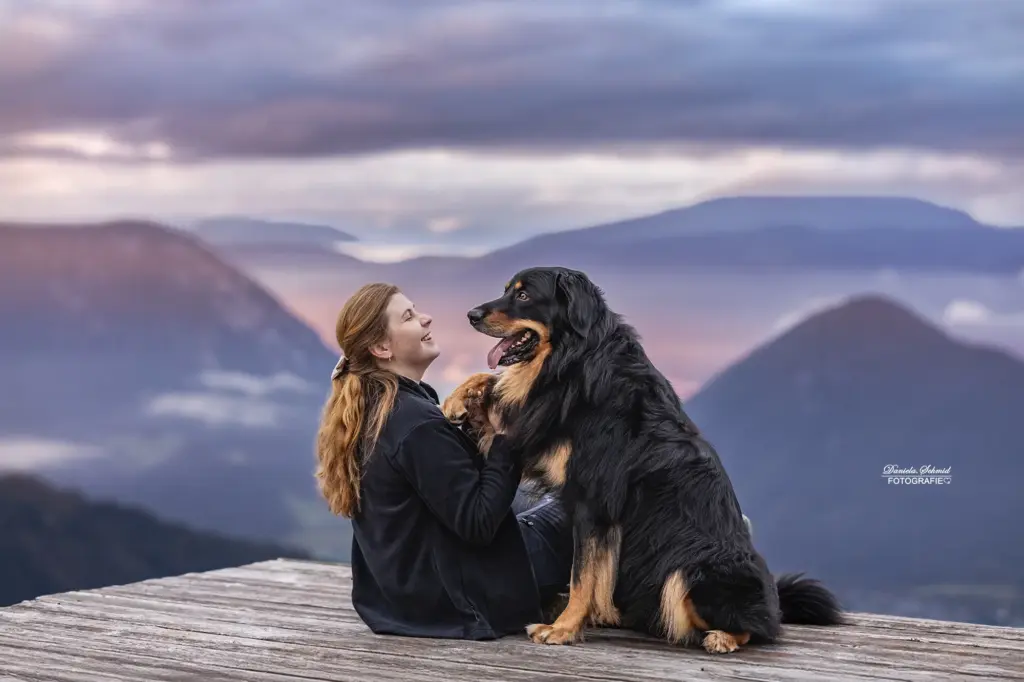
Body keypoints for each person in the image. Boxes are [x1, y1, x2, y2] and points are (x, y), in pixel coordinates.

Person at [315, 282, 572, 640]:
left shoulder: (372, 407)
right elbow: (478, 523)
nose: (426, 318)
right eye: (408, 316)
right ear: (382, 347)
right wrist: (505, 440)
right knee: (576, 503)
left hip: (403, 598)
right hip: (462, 600)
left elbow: (446, 492)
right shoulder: (413, 422)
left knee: (535, 500)